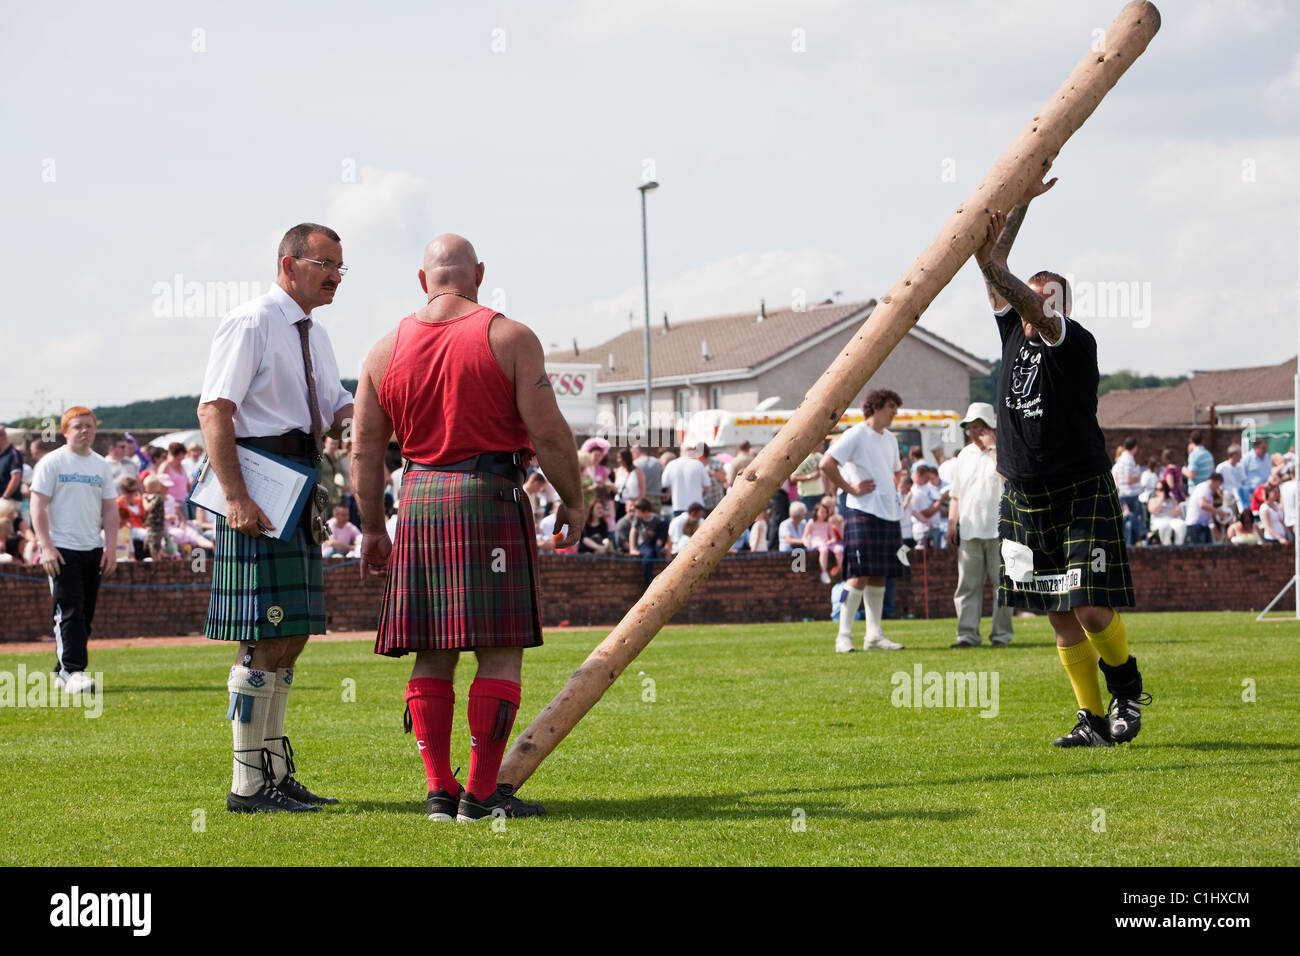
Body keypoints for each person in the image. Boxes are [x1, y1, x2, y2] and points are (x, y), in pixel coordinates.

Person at [351, 233, 582, 823]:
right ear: (478, 273)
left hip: (420, 498)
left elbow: (363, 452)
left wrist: (373, 529)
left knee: (433, 651)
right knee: (499, 648)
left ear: (422, 279)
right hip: (489, 496)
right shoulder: (509, 336)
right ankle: (480, 795)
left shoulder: (382, 350)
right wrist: (574, 500)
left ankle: (437, 793)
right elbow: (550, 431)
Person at [974, 168, 1147, 748]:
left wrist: (993, 261)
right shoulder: (1010, 335)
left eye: (1047, 297)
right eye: (1032, 293)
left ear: (1062, 306)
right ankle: (1091, 719)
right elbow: (997, 275)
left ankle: (1126, 688)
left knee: (1093, 608)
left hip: (1078, 487)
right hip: (1023, 489)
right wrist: (1019, 204)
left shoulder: (1072, 340)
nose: (1034, 302)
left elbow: (1007, 280)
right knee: (1056, 612)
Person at [197, 222, 354, 814]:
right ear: (289, 265)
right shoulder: (252, 321)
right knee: (264, 633)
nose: (336, 276)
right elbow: (215, 410)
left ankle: (274, 771)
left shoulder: (316, 334)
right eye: (326, 264)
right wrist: (236, 497)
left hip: (301, 479)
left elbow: (336, 407)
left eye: (341, 267)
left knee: (292, 633)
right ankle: (247, 784)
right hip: (260, 481)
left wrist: (383, 408)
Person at [29, 407, 118, 694]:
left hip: (92, 548)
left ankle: (61, 670)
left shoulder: (101, 465)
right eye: (78, 426)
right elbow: (37, 505)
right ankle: (73, 671)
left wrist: (111, 548)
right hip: (62, 549)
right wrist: (46, 546)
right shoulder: (52, 463)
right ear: (66, 431)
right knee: (69, 611)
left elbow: (109, 509)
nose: (85, 431)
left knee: (85, 612)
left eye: (89, 426)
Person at [819, 388, 909, 652]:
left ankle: (874, 635)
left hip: (888, 512)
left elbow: (895, 472)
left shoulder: (890, 439)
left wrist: (893, 492)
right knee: (858, 574)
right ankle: (843, 636)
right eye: (891, 406)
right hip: (862, 511)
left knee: (880, 574)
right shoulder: (856, 434)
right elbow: (826, 464)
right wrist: (851, 488)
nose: (895, 412)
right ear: (876, 407)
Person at [947, 402, 1013, 648]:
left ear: (989, 427)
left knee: (1003, 587)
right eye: (970, 428)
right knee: (967, 586)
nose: (973, 433)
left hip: (999, 529)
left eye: (978, 427)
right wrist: (952, 522)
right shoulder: (964, 455)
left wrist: (994, 448)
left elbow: (1009, 479)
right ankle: (967, 635)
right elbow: (957, 494)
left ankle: (1002, 635)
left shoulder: (1004, 452)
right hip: (971, 529)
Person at [1113, 437, 1145, 547]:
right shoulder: (1129, 459)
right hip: (1130, 495)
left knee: (1129, 523)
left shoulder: (1121, 458)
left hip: (1124, 494)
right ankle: (1133, 545)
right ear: (1134, 447)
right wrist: (1139, 477)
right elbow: (1128, 479)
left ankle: (1130, 545)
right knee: (1132, 521)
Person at [661, 443, 710, 516]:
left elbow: (664, 484)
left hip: (679, 506)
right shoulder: (698, 464)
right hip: (697, 506)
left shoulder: (671, 465)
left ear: (680, 452)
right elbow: (707, 486)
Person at [628, 497, 668, 587]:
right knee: (648, 555)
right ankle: (648, 583)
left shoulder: (657, 519)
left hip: (655, 543)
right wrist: (632, 548)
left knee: (657, 552)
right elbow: (633, 532)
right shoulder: (637, 518)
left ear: (645, 511)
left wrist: (666, 546)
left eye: (638, 511)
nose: (636, 514)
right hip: (644, 544)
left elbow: (665, 532)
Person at [1146, 481, 1186, 546]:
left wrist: (1164, 510)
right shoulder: (1153, 499)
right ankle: (1167, 547)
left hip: (1171, 519)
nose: (1158, 491)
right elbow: (1153, 510)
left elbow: (1178, 511)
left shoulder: (1172, 499)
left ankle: (1179, 546)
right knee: (1165, 526)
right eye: (1157, 489)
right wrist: (1161, 499)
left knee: (1181, 525)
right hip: (1158, 521)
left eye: (1161, 489)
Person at [612, 448, 645, 522]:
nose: (618, 460)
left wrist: (637, 502)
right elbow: (617, 488)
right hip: (619, 503)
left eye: (620, 458)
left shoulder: (637, 471)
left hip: (632, 505)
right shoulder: (618, 471)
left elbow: (642, 489)